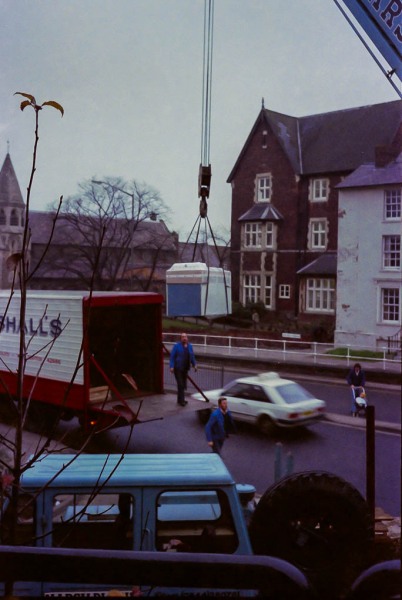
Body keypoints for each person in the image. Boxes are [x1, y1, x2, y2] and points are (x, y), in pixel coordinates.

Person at [169, 332, 197, 406]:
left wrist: (194, 365)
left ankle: (180, 399)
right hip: (178, 368)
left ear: (187, 338)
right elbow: (172, 357)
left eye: (185, 337)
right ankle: (182, 401)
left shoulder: (190, 346)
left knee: (183, 385)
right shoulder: (176, 346)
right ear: (180, 338)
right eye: (183, 337)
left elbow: (192, 356)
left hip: (185, 368)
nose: (184, 338)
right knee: (180, 384)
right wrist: (171, 366)